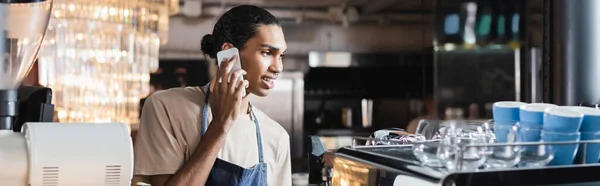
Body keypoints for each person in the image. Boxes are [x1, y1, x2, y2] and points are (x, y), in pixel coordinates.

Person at [133, 5, 291, 186]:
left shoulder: (276, 136)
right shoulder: (167, 107)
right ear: (229, 54)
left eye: (281, 56)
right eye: (267, 52)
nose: (278, 67)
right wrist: (220, 125)